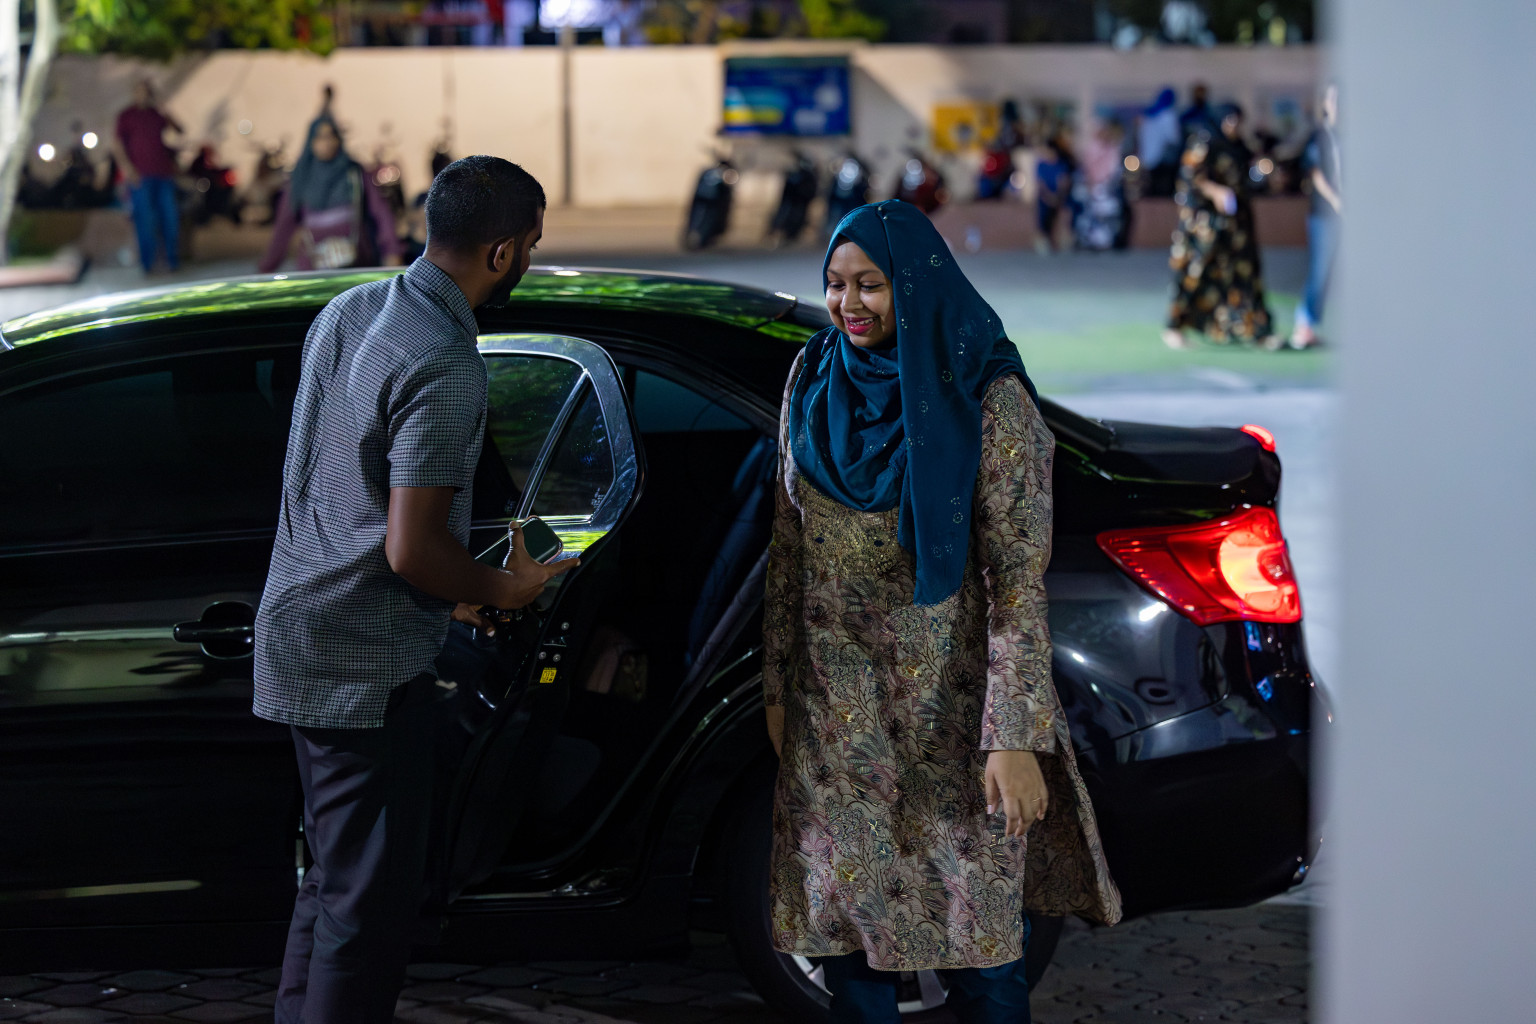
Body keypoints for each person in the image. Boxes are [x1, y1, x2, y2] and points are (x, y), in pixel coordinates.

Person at [762, 199, 1122, 1023]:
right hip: (836, 721)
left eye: (872, 285)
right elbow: (786, 551)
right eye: (835, 284)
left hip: (953, 725)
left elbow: (1015, 585)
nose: (850, 304)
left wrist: (1013, 737)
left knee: (980, 950)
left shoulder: (988, 400)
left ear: (915, 286)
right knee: (848, 946)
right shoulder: (812, 379)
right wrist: (779, 688)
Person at [255, 156, 575, 1024]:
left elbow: (339, 493)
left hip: (300, 630)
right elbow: (409, 549)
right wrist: (505, 588)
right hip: (361, 664)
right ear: (503, 251)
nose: (530, 261)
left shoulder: (349, 311)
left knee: (330, 883)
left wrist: (452, 591)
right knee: (365, 909)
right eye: (534, 245)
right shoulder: (445, 359)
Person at [1163, 104, 1276, 349]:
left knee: (1243, 275)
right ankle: (1174, 327)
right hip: (1204, 225)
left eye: (1237, 121)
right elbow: (1190, 176)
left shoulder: (1239, 146)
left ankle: (1254, 330)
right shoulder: (1204, 141)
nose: (1233, 126)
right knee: (1195, 272)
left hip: (1236, 226)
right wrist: (1215, 191)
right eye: (1230, 120)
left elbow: (1247, 178)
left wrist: (1261, 169)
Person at [258, 113, 403, 272]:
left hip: (356, 266)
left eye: (330, 136)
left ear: (338, 139)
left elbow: (381, 213)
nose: (326, 143)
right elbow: (282, 229)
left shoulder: (353, 173)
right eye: (320, 138)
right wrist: (265, 270)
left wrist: (392, 251)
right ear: (311, 142)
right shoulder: (300, 180)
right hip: (315, 271)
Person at [112, 79, 183, 273]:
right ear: (134, 93)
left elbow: (179, 130)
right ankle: (147, 265)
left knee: (170, 218)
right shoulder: (126, 116)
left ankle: (172, 261)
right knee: (145, 221)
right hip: (141, 177)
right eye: (139, 91)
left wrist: (163, 106)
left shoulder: (157, 114)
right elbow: (118, 146)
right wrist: (128, 169)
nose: (143, 95)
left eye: (146, 92)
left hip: (164, 174)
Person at [1291, 83, 1342, 349]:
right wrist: (1335, 199)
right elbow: (1314, 172)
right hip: (1325, 216)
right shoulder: (1320, 136)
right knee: (1321, 270)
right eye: (1334, 99)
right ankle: (1305, 324)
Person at [1138, 87, 1183, 197]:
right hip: (1164, 159)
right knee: (1164, 190)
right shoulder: (1168, 115)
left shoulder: (1148, 116)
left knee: (1153, 187)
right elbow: (1173, 138)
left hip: (1149, 158)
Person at [1033, 139, 1069, 253]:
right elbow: (1041, 185)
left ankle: (1064, 239)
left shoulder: (1061, 164)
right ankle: (1043, 239)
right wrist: (1049, 198)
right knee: (1043, 211)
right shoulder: (1041, 165)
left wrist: (1057, 197)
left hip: (1059, 196)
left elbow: (1064, 183)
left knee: (1067, 209)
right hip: (1045, 197)